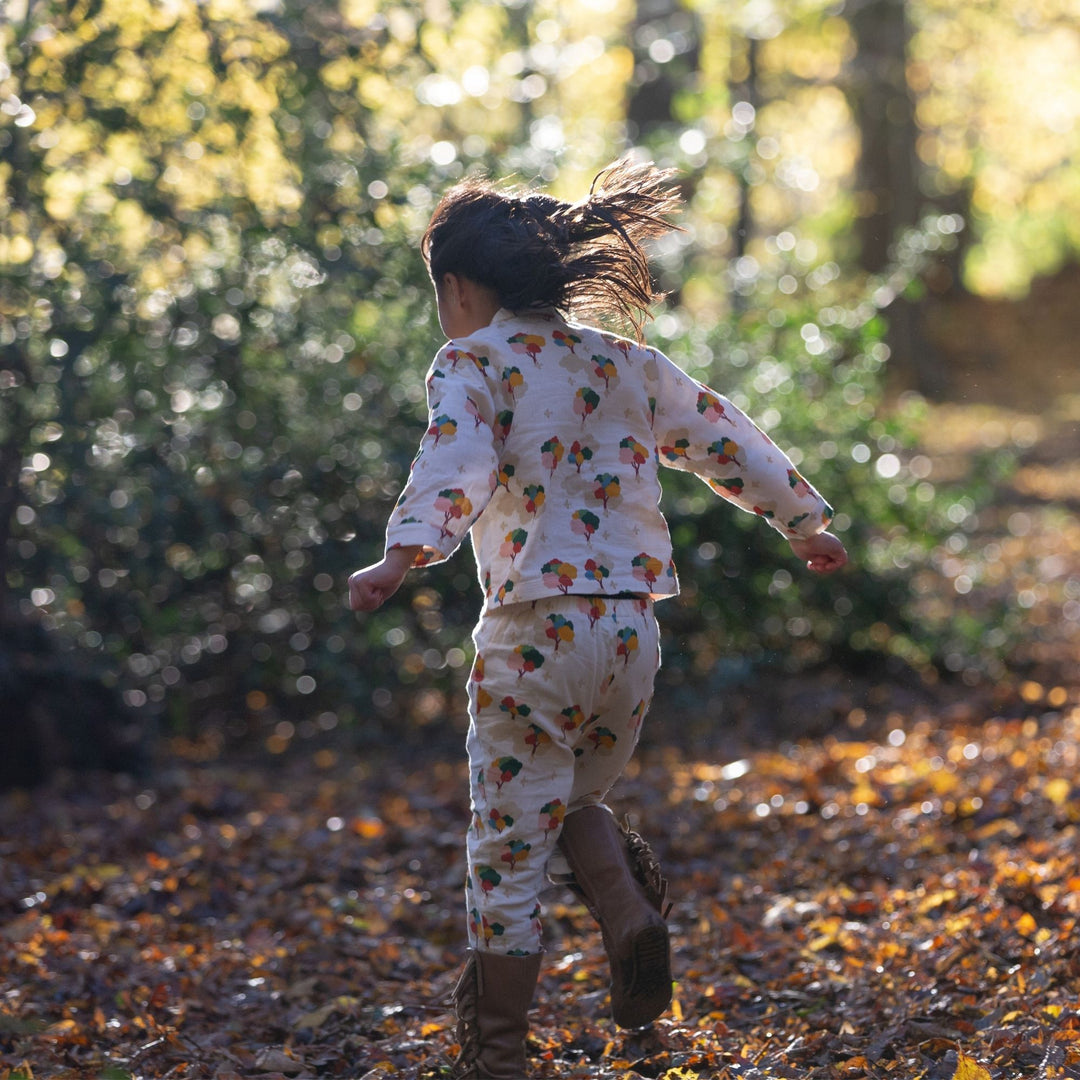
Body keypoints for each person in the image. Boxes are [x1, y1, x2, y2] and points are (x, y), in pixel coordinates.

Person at [348, 158, 848, 1078]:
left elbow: (454, 465)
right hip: (629, 635)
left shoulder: (471, 359)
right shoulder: (625, 362)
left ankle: (497, 1055)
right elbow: (720, 431)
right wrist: (803, 521)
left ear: (459, 288)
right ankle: (626, 911)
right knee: (572, 796)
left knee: (507, 844)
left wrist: (403, 553)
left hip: (533, 631)